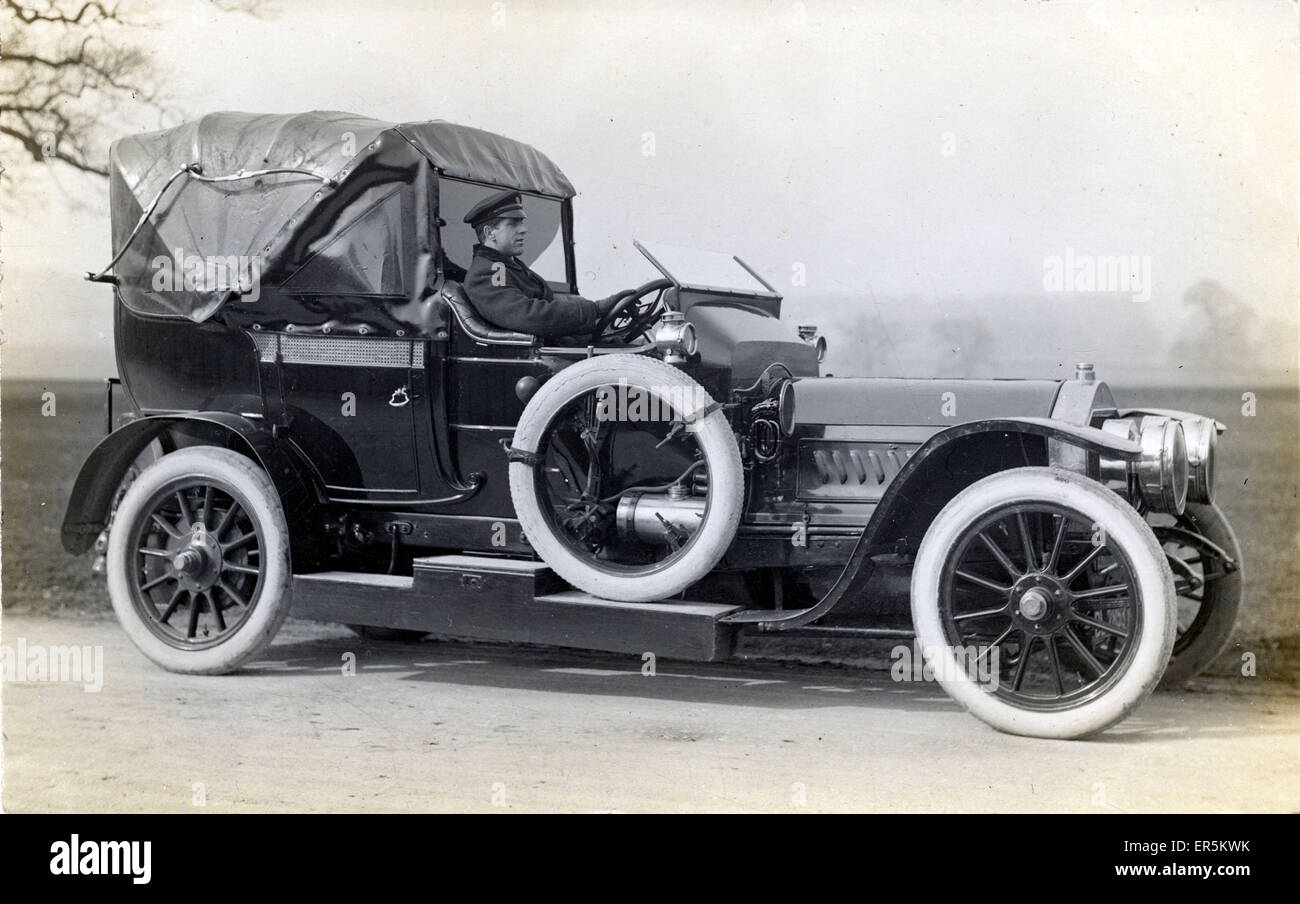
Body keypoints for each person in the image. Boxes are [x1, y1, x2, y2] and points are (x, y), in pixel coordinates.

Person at [459, 190, 624, 343]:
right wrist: (595, 309)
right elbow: (527, 315)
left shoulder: (508, 265)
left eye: (522, 222)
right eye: (513, 224)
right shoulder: (490, 271)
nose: (524, 230)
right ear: (489, 233)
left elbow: (547, 306)